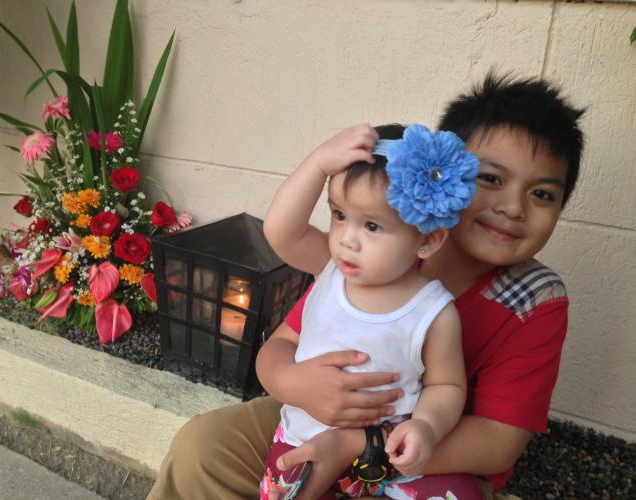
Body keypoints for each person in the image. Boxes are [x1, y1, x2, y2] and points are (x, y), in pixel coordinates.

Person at [147, 72, 585, 500]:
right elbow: (282, 340)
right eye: (490, 178)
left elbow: (497, 442)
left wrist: (359, 444)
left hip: (429, 453)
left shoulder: (532, 299)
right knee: (203, 449)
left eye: (542, 194)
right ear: (437, 176)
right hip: (313, 414)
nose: (513, 207)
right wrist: (292, 383)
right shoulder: (379, 249)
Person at [257, 122, 482, 499]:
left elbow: (446, 385)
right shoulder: (328, 268)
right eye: (339, 215)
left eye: (372, 226)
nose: (347, 239)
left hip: (387, 454)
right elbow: (282, 230)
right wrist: (317, 164)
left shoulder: (434, 312)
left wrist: (426, 427)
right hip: (305, 439)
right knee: (285, 493)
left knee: (460, 494)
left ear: (427, 239)